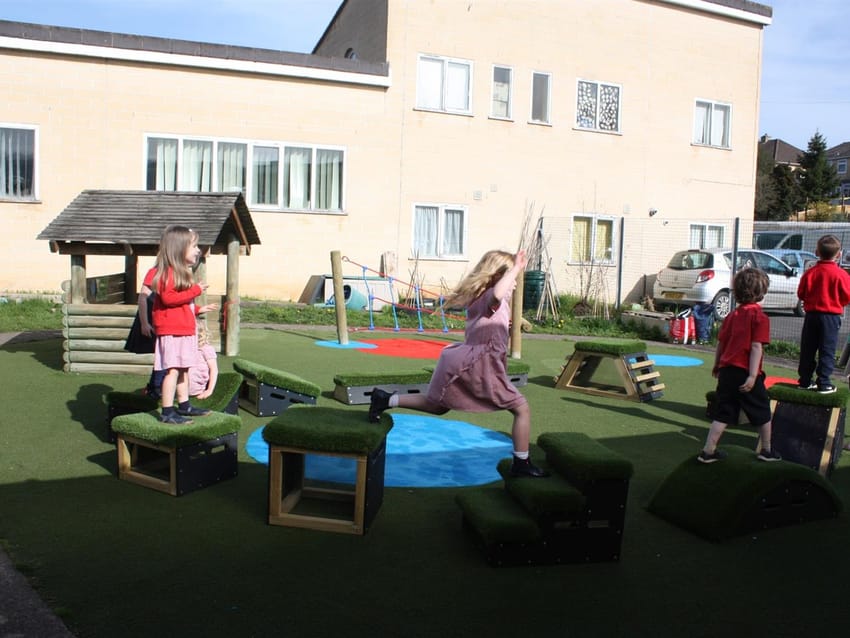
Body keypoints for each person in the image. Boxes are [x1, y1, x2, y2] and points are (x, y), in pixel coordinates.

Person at [368, 249, 548, 478]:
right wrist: (515, 269)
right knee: (521, 408)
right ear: (496, 276)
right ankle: (521, 463)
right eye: (512, 278)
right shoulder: (492, 296)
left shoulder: (483, 298)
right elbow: (500, 291)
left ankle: (385, 399)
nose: (514, 284)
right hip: (478, 365)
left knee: (438, 405)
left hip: (461, 360)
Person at [698, 268, 781, 463]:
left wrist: (717, 365)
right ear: (762, 292)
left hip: (727, 370)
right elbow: (755, 346)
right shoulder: (759, 317)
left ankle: (708, 451)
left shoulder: (731, 316)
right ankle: (767, 450)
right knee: (762, 411)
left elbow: (721, 343)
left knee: (724, 412)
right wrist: (753, 376)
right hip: (745, 372)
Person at [151, 225, 218, 424]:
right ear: (179, 249)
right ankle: (167, 411)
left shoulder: (181, 274)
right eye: (194, 246)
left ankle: (184, 404)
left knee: (183, 368)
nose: (198, 250)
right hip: (173, 332)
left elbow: (181, 306)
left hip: (183, 329)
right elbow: (169, 299)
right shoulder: (167, 273)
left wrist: (197, 310)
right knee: (173, 369)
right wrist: (195, 291)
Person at [796, 234, 850, 394]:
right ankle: (824, 382)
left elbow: (801, 293)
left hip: (811, 315)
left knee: (808, 348)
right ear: (839, 254)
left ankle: (805, 380)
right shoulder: (841, 275)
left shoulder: (810, 273)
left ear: (816, 252)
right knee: (827, 349)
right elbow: (847, 296)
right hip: (831, 317)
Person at [188, 320, 219, 400]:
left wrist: (209, 390)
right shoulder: (184, 348)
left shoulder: (206, 349)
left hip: (196, 388)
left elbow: (214, 369)